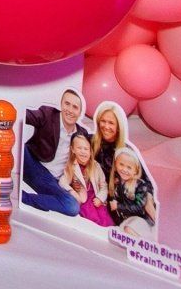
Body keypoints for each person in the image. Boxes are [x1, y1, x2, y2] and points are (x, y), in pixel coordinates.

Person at [21, 88, 91, 216]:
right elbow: (24, 114)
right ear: (61, 104)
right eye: (67, 104)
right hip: (31, 163)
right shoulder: (48, 114)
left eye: (75, 107)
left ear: (80, 112)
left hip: (50, 180)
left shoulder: (82, 134)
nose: (69, 110)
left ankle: (22, 197)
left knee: (72, 206)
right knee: (20, 147)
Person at [65, 133, 113, 227]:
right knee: (91, 221)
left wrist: (100, 198)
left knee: (105, 221)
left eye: (86, 149)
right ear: (73, 150)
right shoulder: (71, 166)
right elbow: (62, 182)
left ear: (90, 151)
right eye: (79, 148)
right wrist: (71, 189)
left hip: (95, 199)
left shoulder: (95, 166)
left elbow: (104, 186)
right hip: (84, 201)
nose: (83, 152)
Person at [109, 147, 159, 233]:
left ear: (135, 171)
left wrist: (118, 206)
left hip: (141, 220)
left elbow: (139, 207)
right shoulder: (117, 182)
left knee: (128, 229)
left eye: (129, 167)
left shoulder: (140, 185)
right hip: (126, 219)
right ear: (116, 164)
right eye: (121, 164)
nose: (124, 169)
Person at [92, 102, 127, 178]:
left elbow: (144, 183)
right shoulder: (90, 141)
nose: (106, 126)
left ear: (118, 127)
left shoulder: (126, 151)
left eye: (111, 123)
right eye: (103, 121)